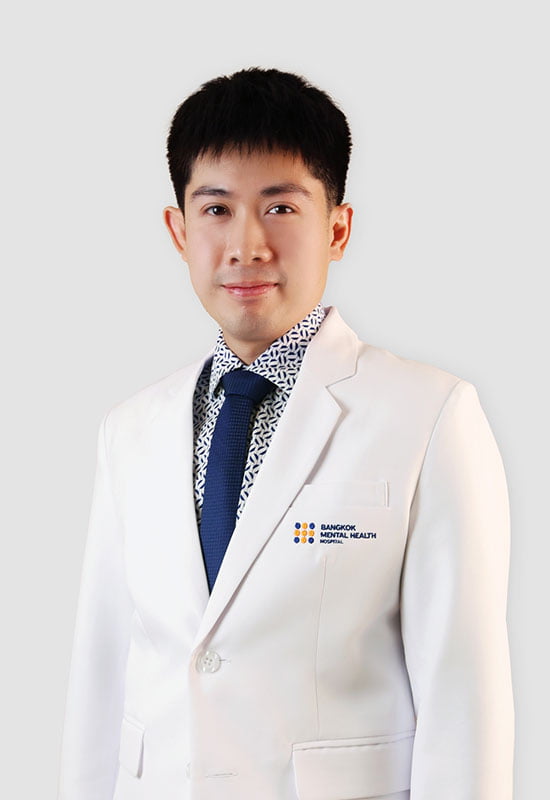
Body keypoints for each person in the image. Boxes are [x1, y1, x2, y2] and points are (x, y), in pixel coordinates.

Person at [58, 67, 514, 800]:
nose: (246, 245)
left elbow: (464, 702)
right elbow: (102, 678)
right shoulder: (130, 431)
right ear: (178, 231)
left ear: (337, 228)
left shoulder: (429, 416)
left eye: (280, 207)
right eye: (216, 209)